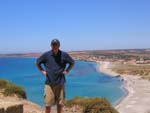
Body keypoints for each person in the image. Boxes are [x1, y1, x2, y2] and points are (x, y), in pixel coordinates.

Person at [36, 39, 75, 113]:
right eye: (53, 44)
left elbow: (72, 62)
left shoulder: (64, 55)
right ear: (51, 45)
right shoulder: (46, 55)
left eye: (56, 44)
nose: (55, 46)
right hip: (49, 83)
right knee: (47, 104)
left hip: (60, 83)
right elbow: (37, 62)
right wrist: (42, 71)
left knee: (60, 104)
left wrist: (67, 70)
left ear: (59, 46)